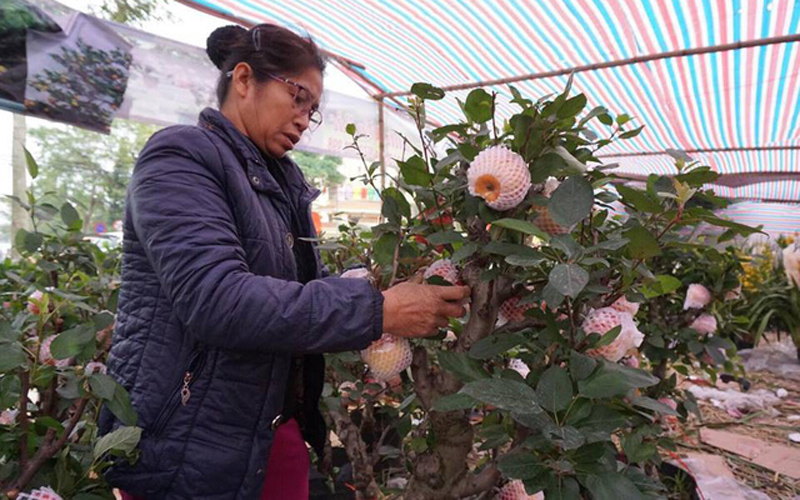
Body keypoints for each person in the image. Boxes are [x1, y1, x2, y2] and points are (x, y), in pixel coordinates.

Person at [99, 23, 470, 499]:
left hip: (267, 433)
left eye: (312, 110)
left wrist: (381, 291)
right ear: (245, 79)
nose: (303, 118)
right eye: (298, 97)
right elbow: (219, 300)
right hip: (187, 446)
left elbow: (287, 293)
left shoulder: (280, 185)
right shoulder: (180, 157)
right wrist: (377, 310)